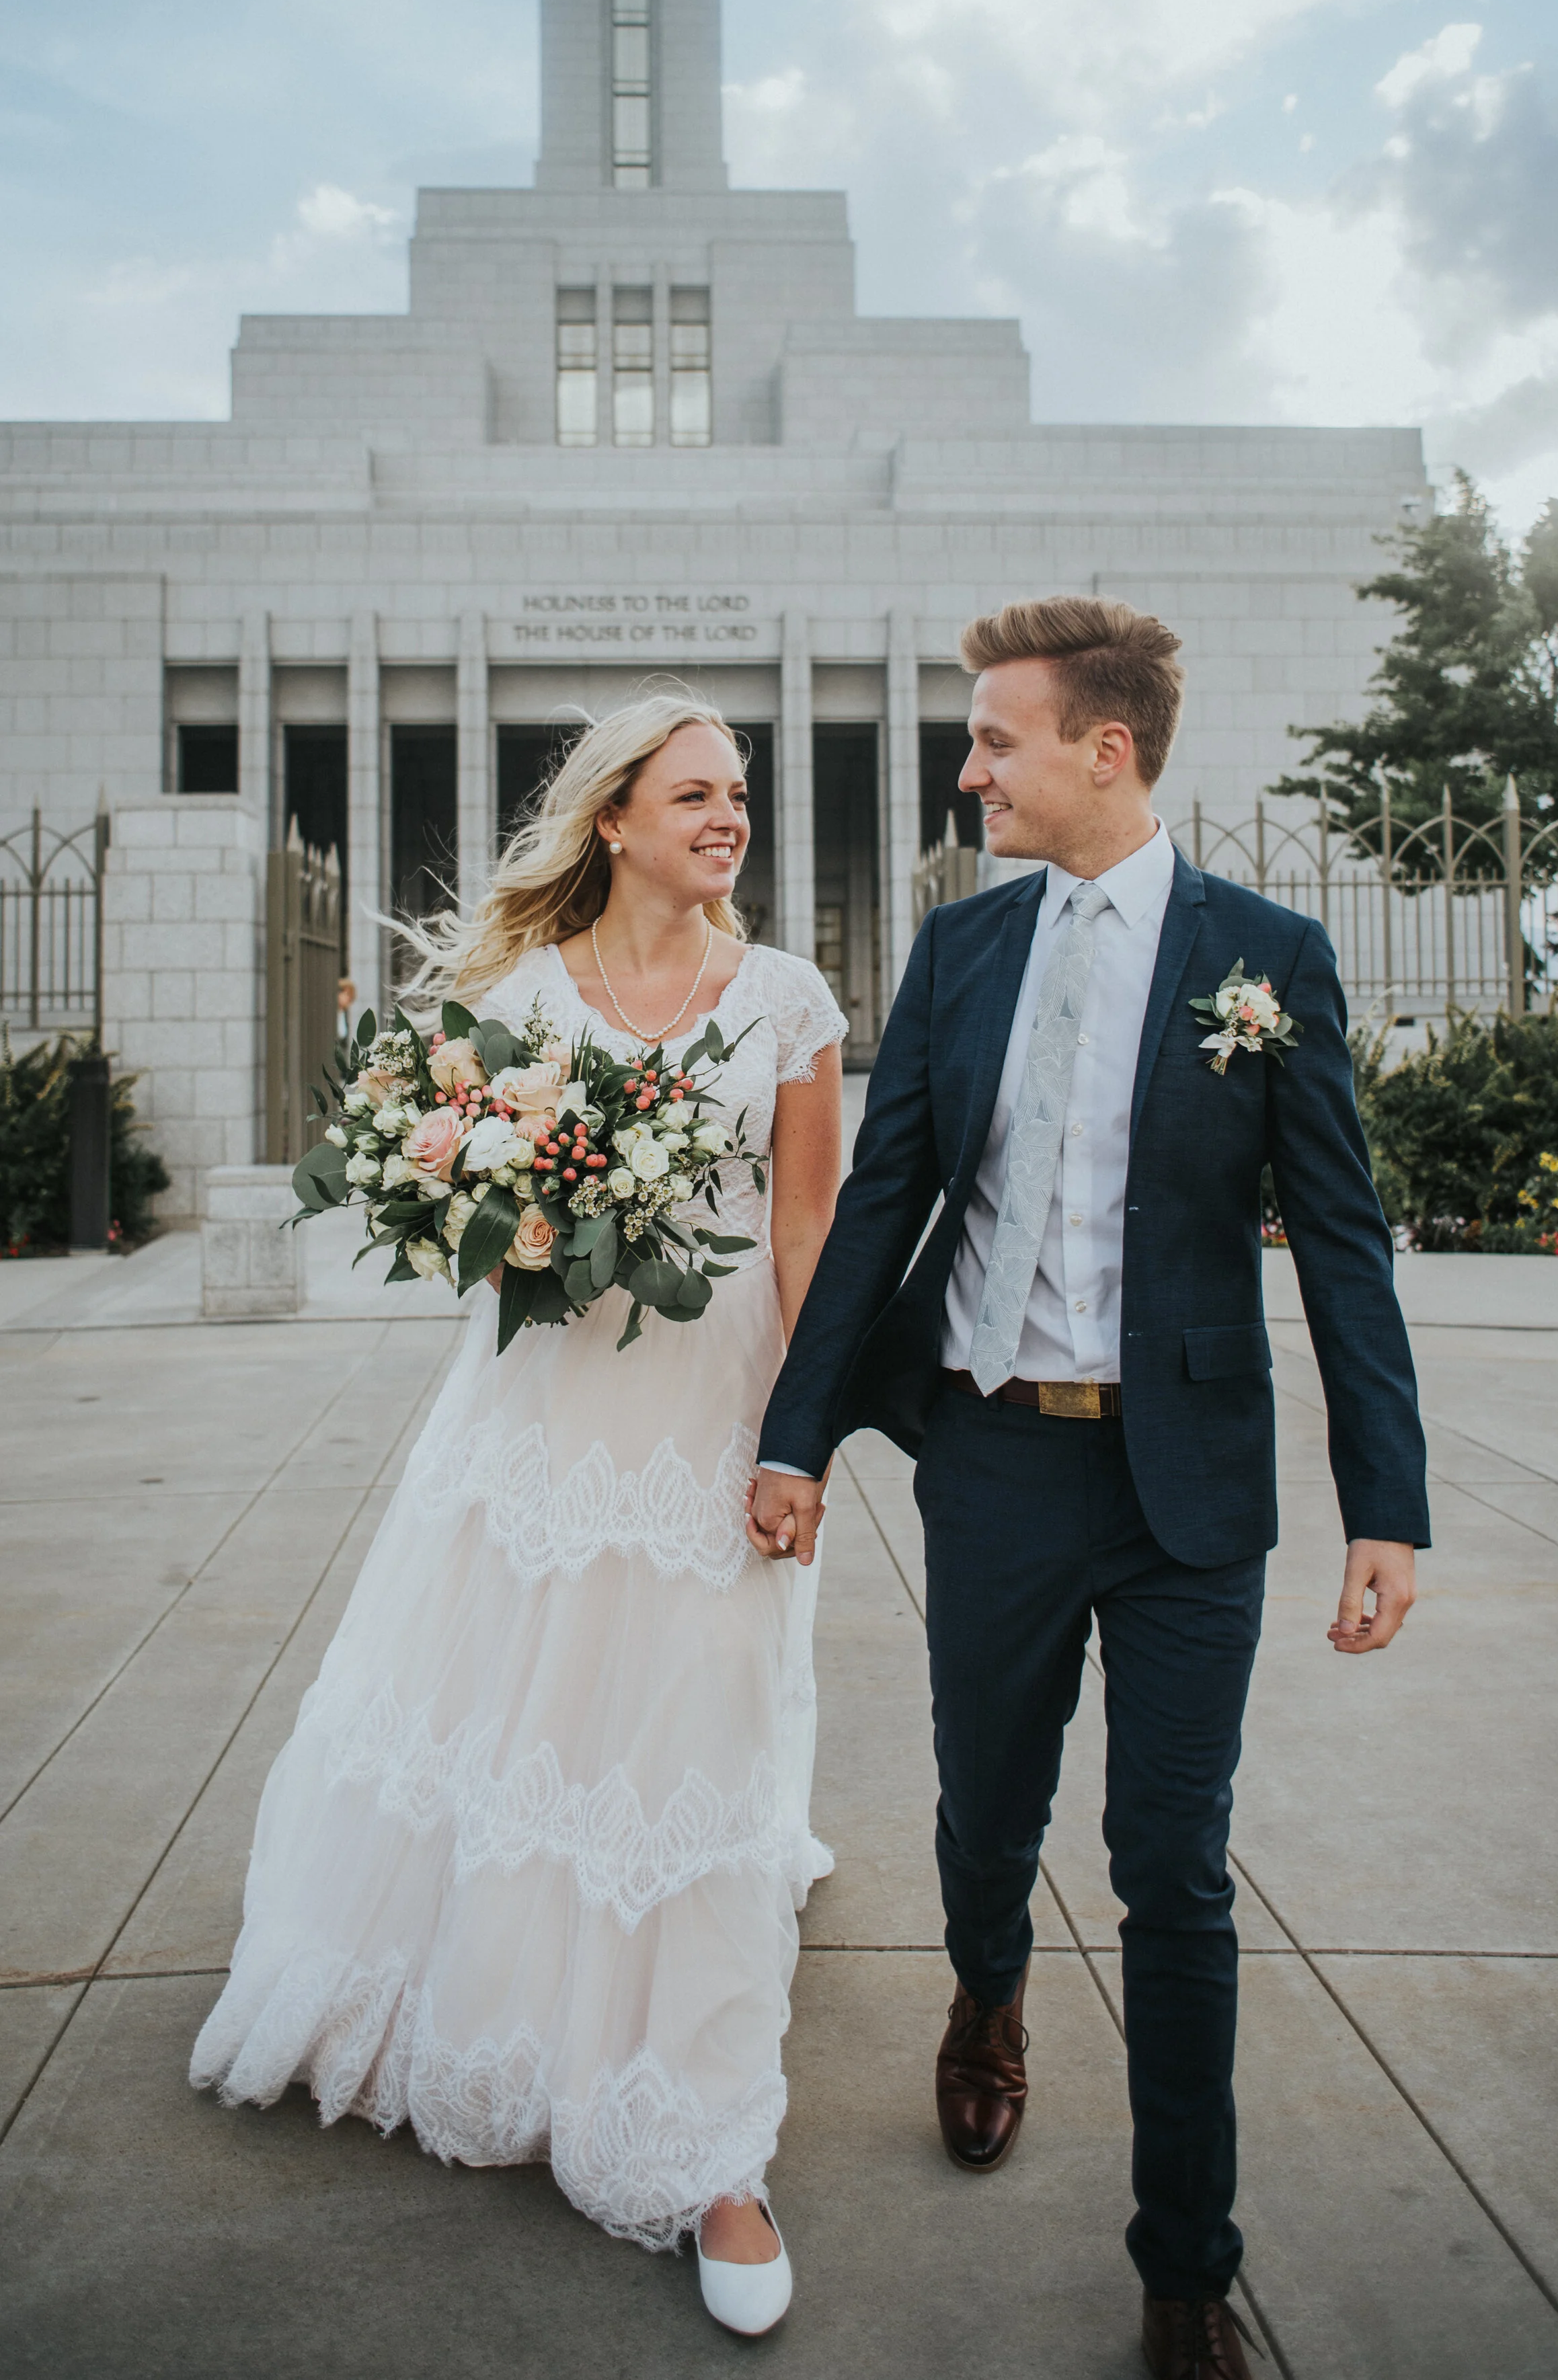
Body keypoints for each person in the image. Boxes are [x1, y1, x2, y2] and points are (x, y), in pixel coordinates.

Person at [748, 598, 1428, 2380]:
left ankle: (1184, 2267)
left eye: (992, 738)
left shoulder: (1259, 956)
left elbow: (1342, 1250)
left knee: (1172, 1870)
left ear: (1099, 750)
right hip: (990, 1452)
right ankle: (986, 1983)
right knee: (988, 1810)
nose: (967, 767)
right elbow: (882, 1202)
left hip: (1187, 1482)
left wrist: (1387, 1500)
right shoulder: (964, 952)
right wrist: (795, 1435)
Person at [192, 692, 846, 2339]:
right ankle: (494, 2007)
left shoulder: (787, 1000)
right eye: (692, 793)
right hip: (540, 1418)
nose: (728, 817)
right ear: (611, 819)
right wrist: (513, 1210)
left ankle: (705, 2143)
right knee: (519, 1707)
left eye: (741, 794)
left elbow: (806, 1235)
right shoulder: (513, 998)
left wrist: (804, 1437)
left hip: (713, 1421)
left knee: (694, 1730)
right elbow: (458, 1221)